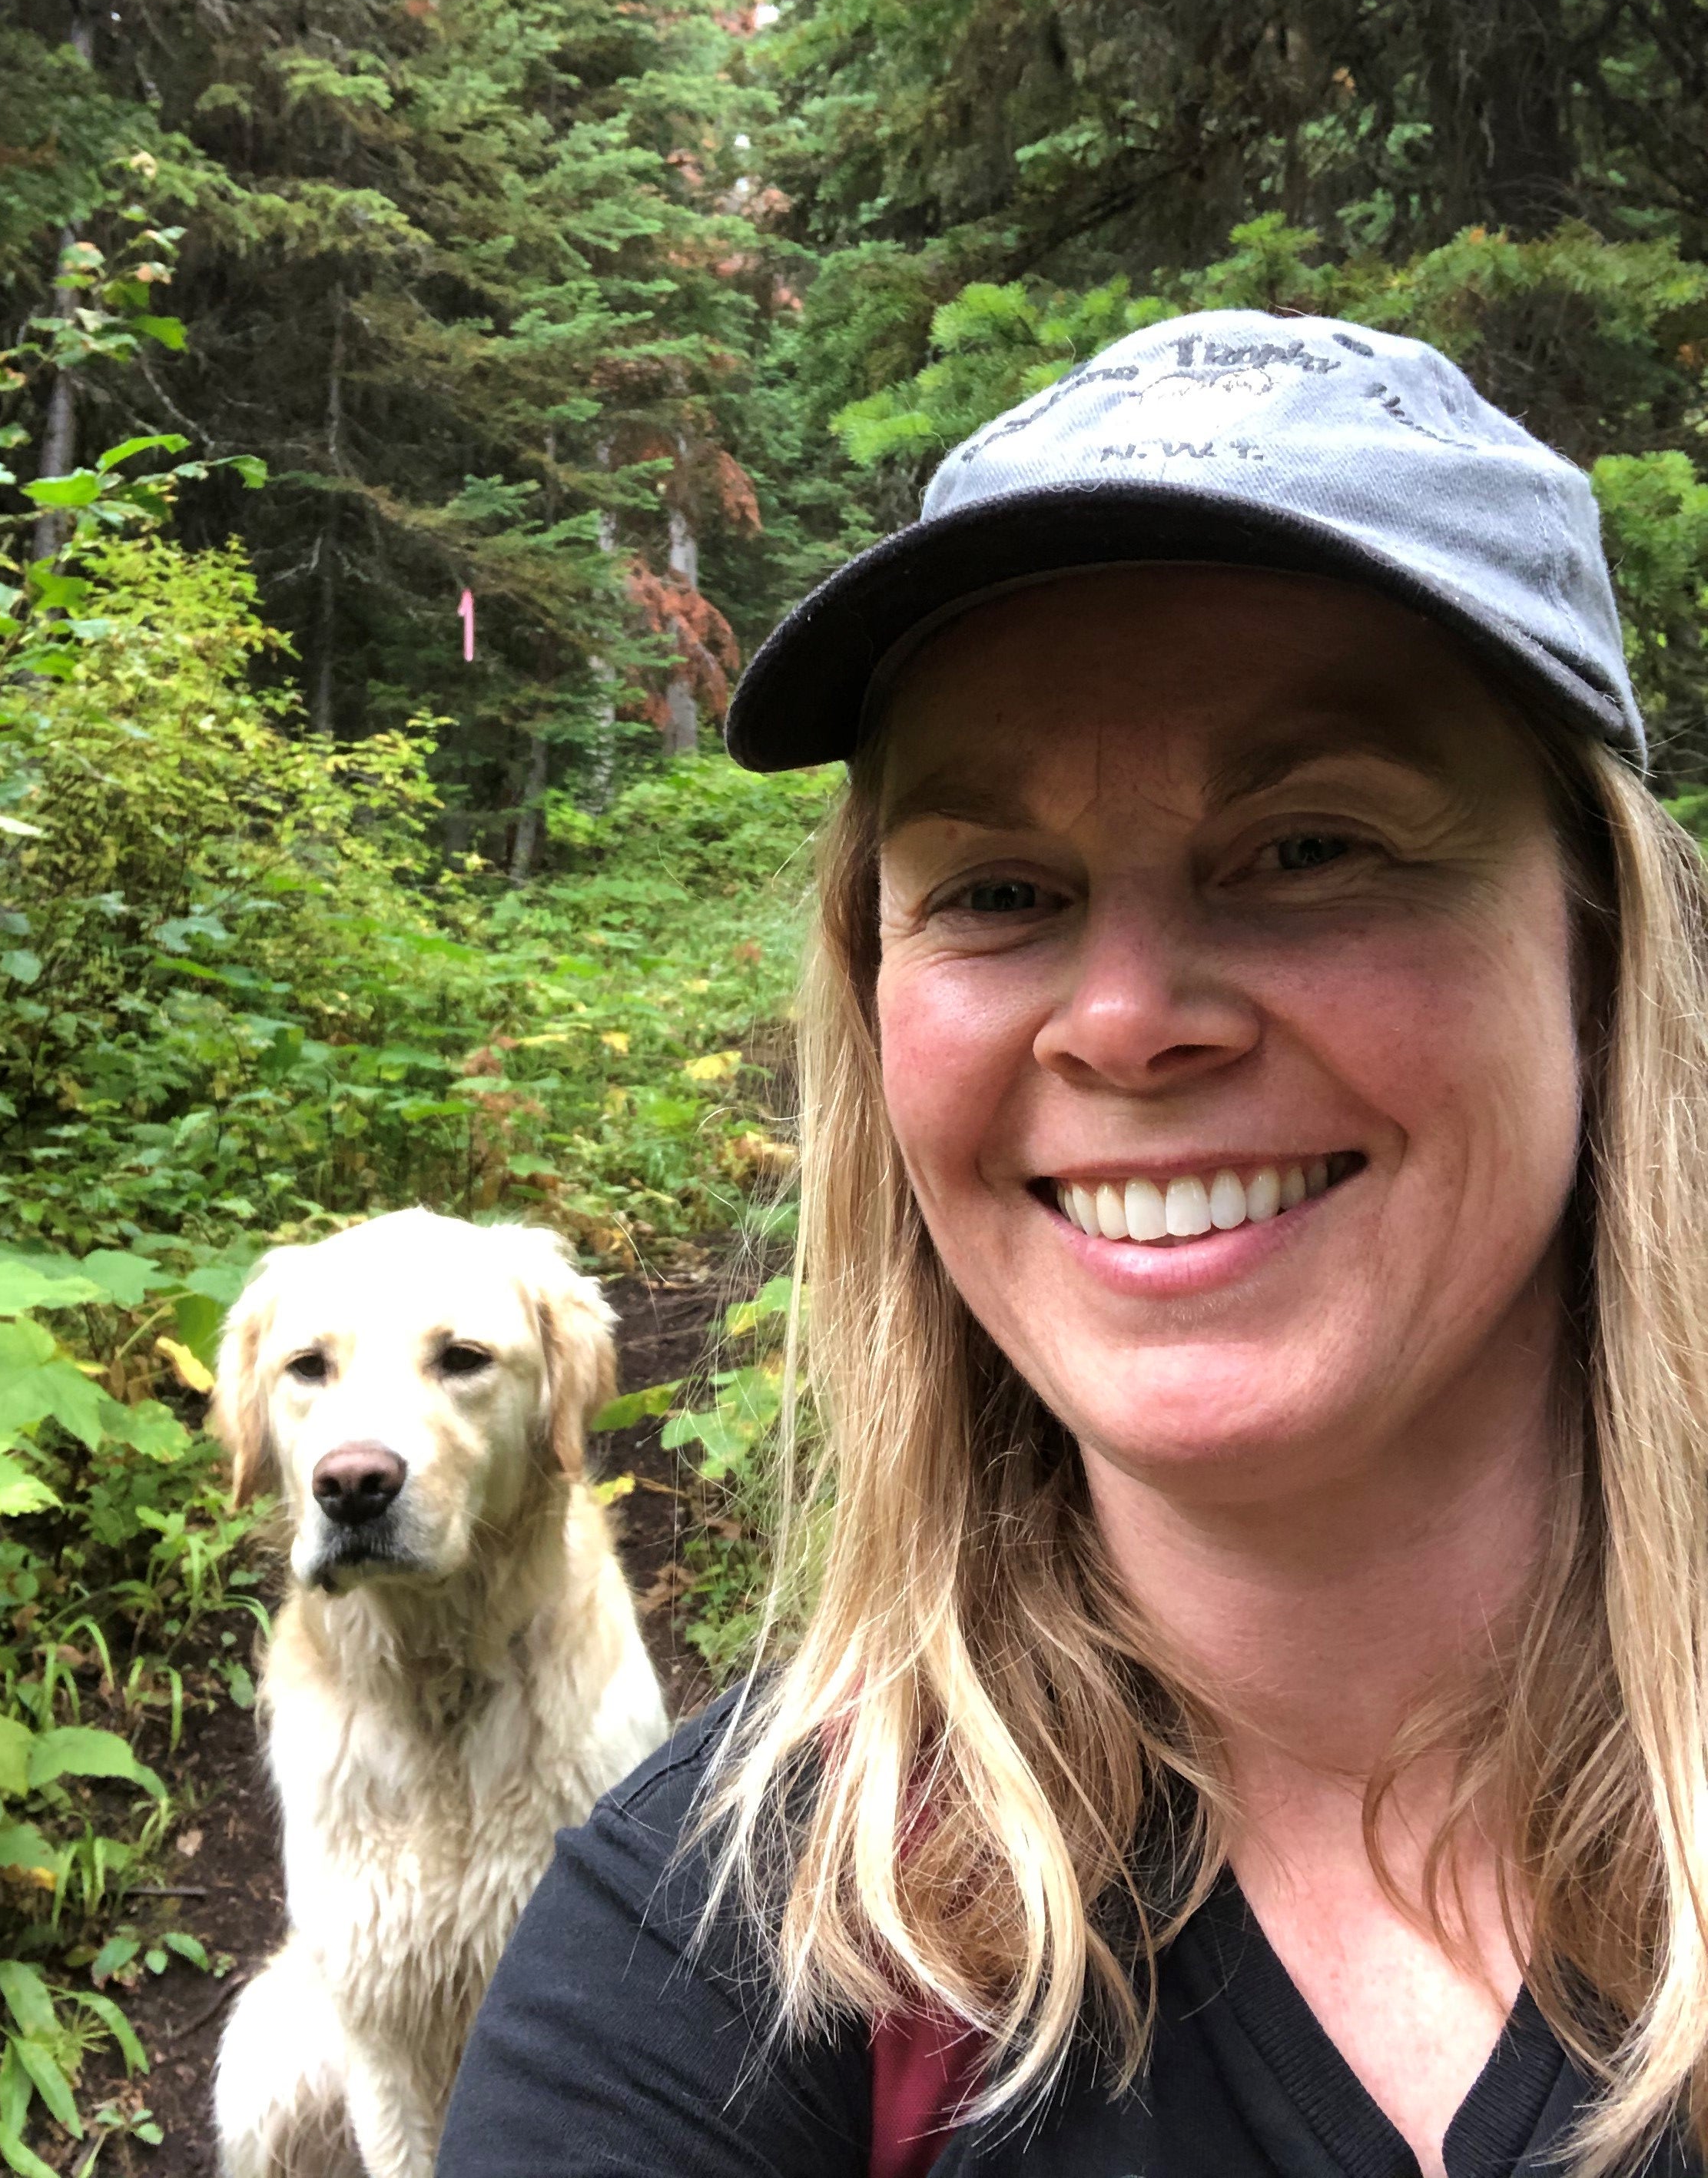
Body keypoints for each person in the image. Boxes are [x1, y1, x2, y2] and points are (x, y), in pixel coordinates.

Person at [437, 313, 1708, 2178]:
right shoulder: (708, 1978)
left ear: (1597, 950)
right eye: (1001, 891)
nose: (1119, 1018)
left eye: (1309, 846)